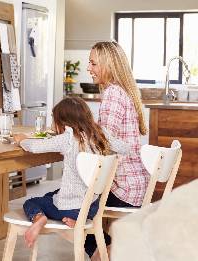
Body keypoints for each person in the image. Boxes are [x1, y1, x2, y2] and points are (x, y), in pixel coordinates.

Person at [13, 97, 129, 248]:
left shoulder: (68, 138)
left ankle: (39, 218)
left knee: (32, 202)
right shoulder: (101, 134)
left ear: (63, 122)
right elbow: (125, 148)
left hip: (71, 207)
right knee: (51, 196)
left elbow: (35, 147)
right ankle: (75, 221)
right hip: (92, 207)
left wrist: (22, 140)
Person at [85, 41, 149, 261]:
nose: (89, 68)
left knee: (66, 203)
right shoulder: (124, 92)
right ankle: (115, 249)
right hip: (136, 187)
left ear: (108, 65)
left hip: (123, 190)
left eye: (93, 63)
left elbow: (105, 145)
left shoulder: (112, 94)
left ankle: (106, 252)